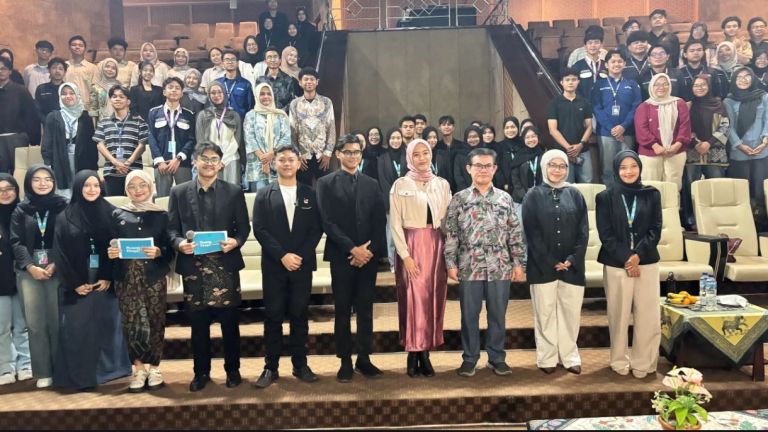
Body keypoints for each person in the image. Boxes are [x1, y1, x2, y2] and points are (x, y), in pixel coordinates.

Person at [168, 142, 250, 392]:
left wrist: (236, 242)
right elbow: (171, 230)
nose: (209, 163)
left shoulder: (234, 191)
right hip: (194, 268)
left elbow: (243, 228)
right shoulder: (179, 192)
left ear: (221, 164)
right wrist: (180, 244)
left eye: (214, 159)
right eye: (204, 158)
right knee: (198, 325)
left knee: (229, 324)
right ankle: (201, 372)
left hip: (225, 266)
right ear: (194, 161)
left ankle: (233, 370)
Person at [445, 147, 525, 378]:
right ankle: (469, 358)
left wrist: (518, 262)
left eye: (487, 166)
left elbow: (515, 233)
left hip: (500, 265)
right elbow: (451, 233)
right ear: (469, 168)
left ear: (495, 169)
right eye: (478, 165)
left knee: (497, 315)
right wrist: (450, 263)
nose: (483, 170)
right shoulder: (459, 199)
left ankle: (497, 357)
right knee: (469, 316)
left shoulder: (505, 198)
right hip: (469, 265)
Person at [52, 171, 132, 391]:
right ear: (78, 188)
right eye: (86, 185)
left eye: (96, 185)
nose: (92, 190)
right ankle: (81, 373)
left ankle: (112, 370)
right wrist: (75, 283)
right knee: (78, 328)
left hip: (105, 281)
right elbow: (60, 253)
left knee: (108, 325)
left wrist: (107, 276)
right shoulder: (65, 216)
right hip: (78, 282)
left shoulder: (112, 212)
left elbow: (117, 246)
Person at [316, 134, 386, 382]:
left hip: (368, 258)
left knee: (365, 310)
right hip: (341, 256)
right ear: (338, 154)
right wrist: (352, 249)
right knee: (343, 309)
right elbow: (327, 222)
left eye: (357, 152)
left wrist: (368, 250)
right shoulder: (325, 183)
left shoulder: (371, 183)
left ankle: (364, 359)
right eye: (348, 152)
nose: (353, 156)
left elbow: (380, 221)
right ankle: (345, 360)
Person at [252, 145, 323, 389]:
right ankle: (270, 367)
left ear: (298, 163)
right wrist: (282, 255)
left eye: (291, 159)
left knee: (299, 315)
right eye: (281, 159)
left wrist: (298, 256)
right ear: (274, 164)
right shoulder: (264, 194)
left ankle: (300, 365)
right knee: (273, 316)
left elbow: (316, 229)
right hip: (274, 265)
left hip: (301, 265)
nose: (286, 163)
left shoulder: (309, 193)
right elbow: (259, 229)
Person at [596, 150, 662, 379]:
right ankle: (619, 359)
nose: (628, 171)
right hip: (616, 264)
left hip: (647, 262)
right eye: (623, 167)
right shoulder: (605, 197)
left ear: (640, 168)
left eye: (633, 166)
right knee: (619, 314)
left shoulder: (652, 194)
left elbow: (655, 229)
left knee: (648, 315)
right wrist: (627, 257)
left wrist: (637, 256)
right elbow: (606, 234)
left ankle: (644, 362)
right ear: (616, 170)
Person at [390, 139, 452, 377]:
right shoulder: (400, 184)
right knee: (413, 299)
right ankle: (412, 351)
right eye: (416, 154)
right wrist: (405, 255)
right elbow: (395, 223)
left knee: (432, 298)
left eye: (425, 153)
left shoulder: (441, 184)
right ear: (409, 158)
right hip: (411, 246)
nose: (421, 158)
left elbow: (448, 221)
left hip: (436, 246)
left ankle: (425, 351)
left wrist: (450, 252)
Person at [108, 170, 174, 392]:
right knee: (131, 323)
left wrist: (159, 252)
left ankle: (154, 367)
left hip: (154, 277)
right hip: (126, 278)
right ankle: (138, 368)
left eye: (142, 185)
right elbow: (109, 244)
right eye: (132, 186)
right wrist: (111, 252)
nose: (138, 190)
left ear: (150, 187)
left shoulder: (162, 215)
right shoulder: (117, 214)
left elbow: (170, 247)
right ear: (126, 189)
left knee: (156, 320)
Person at [523, 150, 588, 375]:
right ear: (544, 167)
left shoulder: (576, 194)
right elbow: (532, 234)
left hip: (573, 266)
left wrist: (571, 259)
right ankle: (547, 357)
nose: (557, 170)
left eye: (562, 166)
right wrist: (551, 261)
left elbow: (583, 232)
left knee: (570, 313)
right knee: (545, 313)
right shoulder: (532, 195)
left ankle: (569, 356)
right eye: (552, 165)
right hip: (542, 265)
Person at [10, 165, 68, 388]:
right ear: (28, 183)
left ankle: (60, 369)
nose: (43, 183)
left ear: (54, 182)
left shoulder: (63, 205)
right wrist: (29, 266)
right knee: (35, 323)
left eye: (47, 179)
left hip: (57, 265)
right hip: (28, 269)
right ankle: (43, 371)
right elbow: (16, 241)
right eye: (36, 179)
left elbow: (68, 236)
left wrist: (56, 263)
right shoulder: (21, 209)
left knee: (57, 320)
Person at [682, 75, 730, 229]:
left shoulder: (719, 104)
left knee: (716, 187)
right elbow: (684, 127)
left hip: (715, 152)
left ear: (709, 86)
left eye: (703, 85)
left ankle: (718, 220)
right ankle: (692, 221)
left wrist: (709, 143)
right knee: (691, 186)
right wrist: (696, 143)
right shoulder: (688, 106)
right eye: (696, 85)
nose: (699, 88)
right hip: (693, 152)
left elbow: (725, 126)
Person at [592, 49, 642, 187]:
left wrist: (623, 126)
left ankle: (626, 194)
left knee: (627, 168)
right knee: (608, 169)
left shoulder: (632, 84)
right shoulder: (599, 84)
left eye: (620, 61)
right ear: (606, 64)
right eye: (613, 61)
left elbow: (636, 107)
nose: (616, 64)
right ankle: (610, 196)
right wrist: (612, 128)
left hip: (627, 132)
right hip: (606, 133)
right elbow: (597, 108)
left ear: (624, 64)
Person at [0, 174, 32, 385]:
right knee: (2, 328)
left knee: (22, 326)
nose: (5, 193)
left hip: (23, 277)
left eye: (9, 188)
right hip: (0, 280)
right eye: (0, 190)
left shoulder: (24, 213)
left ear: (16, 190)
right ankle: (5, 368)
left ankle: (26, 364)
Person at [635, 73, 692, 190]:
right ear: (651, 87)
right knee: (650, 185)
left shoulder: (679, 103)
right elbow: (641, 130)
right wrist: (655, 146)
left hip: (676, 151)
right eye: (657, 85)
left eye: (665, 84)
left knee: (673, 186)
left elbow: (685, 126)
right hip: (650, 152)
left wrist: (677, 145)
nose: (661, 87)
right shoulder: (644, 106)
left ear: (670, 86)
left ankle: (672, 203)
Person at [42, 82, 97, 198]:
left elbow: (92, 145)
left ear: (77, 95)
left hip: (82, 161)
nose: (68, 96)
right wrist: (48, 164)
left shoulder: (85, 117)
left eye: (72, 93)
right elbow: (47, 143)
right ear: (59, 96)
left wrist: (94, 168)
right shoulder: (53, 117)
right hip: (60, 160)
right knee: (64, 194)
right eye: (64, 94)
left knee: (82, 191)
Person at [94, 85, 148, 196]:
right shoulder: (104, 122)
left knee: (134, 203)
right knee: (113, 204)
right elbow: (100, 145)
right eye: (114, 97)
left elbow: (142, 145)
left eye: (121, 97)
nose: (117, 99)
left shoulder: (139, 121)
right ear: (110, 101)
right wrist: (115, 162)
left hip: (134, 171)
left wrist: (127, 163)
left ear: (128, 101)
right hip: (111, 171)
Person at [724, 67, 768, 202]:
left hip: (762, 149)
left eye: (747, 76)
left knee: (761, 189)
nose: (743, 80)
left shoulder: (764, 97)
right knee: (741, 191)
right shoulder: (728, 101)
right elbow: (728, 126)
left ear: (753, 78)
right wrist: (739, 145)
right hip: (738, 151)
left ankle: (761, 214)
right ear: (733, 80)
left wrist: (765, 141)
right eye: (739, 77)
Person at [147, 77, 196, 197]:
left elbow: (192, 139)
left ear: (182, 93)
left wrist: (179, 158)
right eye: (170, 87)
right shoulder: (154, 113)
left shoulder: (189, 115)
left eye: (177, 88)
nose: (174, 90)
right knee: (162, 198)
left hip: (182, 163)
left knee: (185, 198)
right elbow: (151, 138)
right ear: (164, 92)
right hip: (162, 163)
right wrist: (159, 161)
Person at [547, 68, 594, 184]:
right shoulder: (554, 103)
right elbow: (552, 130)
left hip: (583, 150)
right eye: (567, 80)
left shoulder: (585, 102)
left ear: (578, 82)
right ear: (561, 82)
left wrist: (580, 145)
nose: (570, 82)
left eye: (574, 79)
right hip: (562, 151)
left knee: (587, 181)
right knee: (566, 183)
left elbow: (589, 127)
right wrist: (569, 148)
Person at [290, 68, 335, 185]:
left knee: (325, 187)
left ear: (317, 82)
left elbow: (331, 128)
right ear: (300, 82)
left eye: (312, 79)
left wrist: (328, 152)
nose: (309, 82)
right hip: (303, 156)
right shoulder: (294, 104)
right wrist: (297, 155)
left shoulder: (326, 102)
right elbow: (292, 130)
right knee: (303, 189)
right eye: (306, 79)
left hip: (322, 155)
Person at [197, 81, 244, 186]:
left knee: (231, 192)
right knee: (212, 192)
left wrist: (223, 160)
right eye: (213, 93)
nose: (216, 95)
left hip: (231, 159)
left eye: (219, 92)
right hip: (210, 162)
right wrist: (212, 159)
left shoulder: (234, 115)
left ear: (224, 94)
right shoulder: (203, 115)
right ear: (209, 96)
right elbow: (200, 140)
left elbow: (237, 140)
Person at [0, 57, 41, 173]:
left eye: (4, 68)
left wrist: (34, 141)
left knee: (19, 173)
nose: (0, 71)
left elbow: (32, 118)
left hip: (17, 140)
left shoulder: (21, 91)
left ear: (10, 71)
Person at [378, 128, 406, 269]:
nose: (396, 140)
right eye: (393, 138)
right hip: (390, 201)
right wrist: (393, 198)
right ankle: (393, 264)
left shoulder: (408, 155)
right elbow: (382, 180)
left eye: (398, 138)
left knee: (407, 233)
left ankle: (406, 262)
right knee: (391, 234)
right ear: (388, 140)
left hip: (407, 200)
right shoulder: (382, 158)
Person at [509, 126, 545, 220]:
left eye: (533, 136)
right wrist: (524, 195)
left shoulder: (543, 155)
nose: (531, 139)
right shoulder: (519, 156)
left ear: (538, 137)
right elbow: (515, 179)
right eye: (527, 137)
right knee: (521, 224)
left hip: (540, 197)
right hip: (521, 198)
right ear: (523, 139)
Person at [255, 47, 300, 111]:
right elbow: (257, 100)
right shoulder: (260, 80)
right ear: (265, 61)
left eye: (275, 57)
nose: (273, 60)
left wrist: (279, 113)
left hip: (283, 115)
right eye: (269, 57)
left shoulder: (288, 80)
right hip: (265, 114)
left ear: (280, 60)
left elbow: (292, 101)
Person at [217, 50, 255, 121]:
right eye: (227, 60)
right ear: (222, 63)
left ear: (237, 63)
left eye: (233, 59)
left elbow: (250, 107)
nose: (230, 62)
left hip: (240, 122)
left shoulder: (246, 84)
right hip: (220, 122)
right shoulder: (217, 83)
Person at [571, 26, 607, 99]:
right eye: (590, 43)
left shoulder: (606, 65)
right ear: (585, 46)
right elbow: (572, 86)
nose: (593, 45)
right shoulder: (577, 66)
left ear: (601, 45)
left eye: (596, 42)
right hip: (583, 103)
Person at [65, 35, 97, 110]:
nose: (77, 47)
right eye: (74, 45)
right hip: (67, 108)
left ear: (85, 48)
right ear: (69, 47)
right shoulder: (64, 66)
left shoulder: (92, 68)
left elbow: (96, 91)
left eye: (80, 45)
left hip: (86, 109)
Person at [89, 58, 121, 126]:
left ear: (117, 71)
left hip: (119, 122)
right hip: (102, 123)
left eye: (113, 68)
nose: (110, 69)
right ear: (102, 68)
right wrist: (95, 128)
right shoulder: (96, 87)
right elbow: (93, 109)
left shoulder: (120, 87)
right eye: (107, 66)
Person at [453, 126, 484, 191]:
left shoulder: (485, 153)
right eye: (469, 137)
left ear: (480, 137)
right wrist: (468, 191)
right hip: (464, 191)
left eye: (475, 136)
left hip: (483, 190)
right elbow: (458, 176)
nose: (472, 139)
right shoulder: (460, 155)